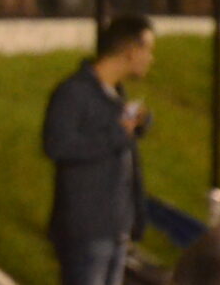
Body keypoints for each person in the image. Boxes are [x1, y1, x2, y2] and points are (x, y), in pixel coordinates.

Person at [43, 14, 156, 285]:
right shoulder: (74, 93)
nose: (151, 58)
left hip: (117, 229)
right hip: (87, 231)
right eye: (148, 50)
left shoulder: (115, 93)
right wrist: (118, 133)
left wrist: (137, 126)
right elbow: (57, 146)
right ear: (130, 51)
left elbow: (121, 152)